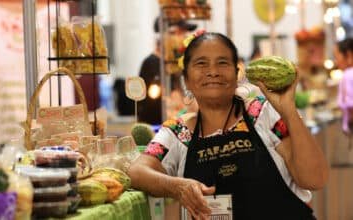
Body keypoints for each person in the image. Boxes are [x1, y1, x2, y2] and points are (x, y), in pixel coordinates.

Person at [128, 31, 329, 219]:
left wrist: (289, 110)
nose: (213, 72)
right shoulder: (177, 132)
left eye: (222, 63)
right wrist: (178, 187)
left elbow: (315, 179)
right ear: (186, 80)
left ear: (237, 74)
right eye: (201, 63)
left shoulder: (263, 114)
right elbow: (137, 172)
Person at [138, 18, 197, 125]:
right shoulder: (152, 63)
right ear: (167, 35)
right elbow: (169, 100)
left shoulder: (175, 63)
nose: (185, 37)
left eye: (184, 33)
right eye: (179, 33)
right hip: (157, 127)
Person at [334, 37, 353, 136]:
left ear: (348, 54)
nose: (336, 62)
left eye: (337, 57)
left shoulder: (348, 75)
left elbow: (350, 104)